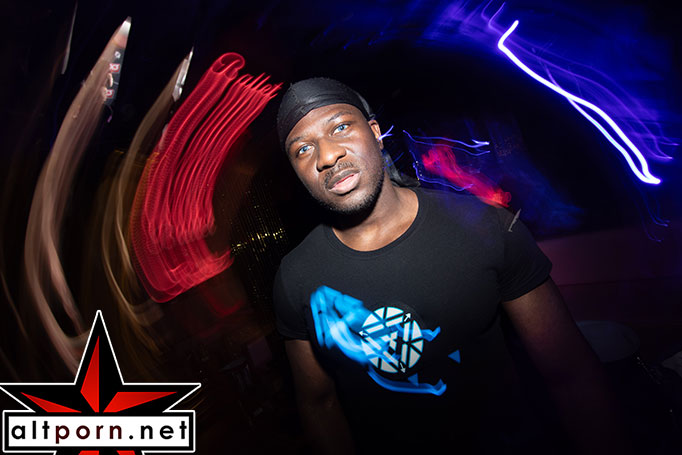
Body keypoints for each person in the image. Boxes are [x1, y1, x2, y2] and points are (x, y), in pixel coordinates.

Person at [272, 77, 630, 454]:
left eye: (341, 127)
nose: (327, 156)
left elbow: (570, 373)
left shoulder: (486, 228)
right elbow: (319, 405)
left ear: (375, 132)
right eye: (303, 149)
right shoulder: (296, 277)